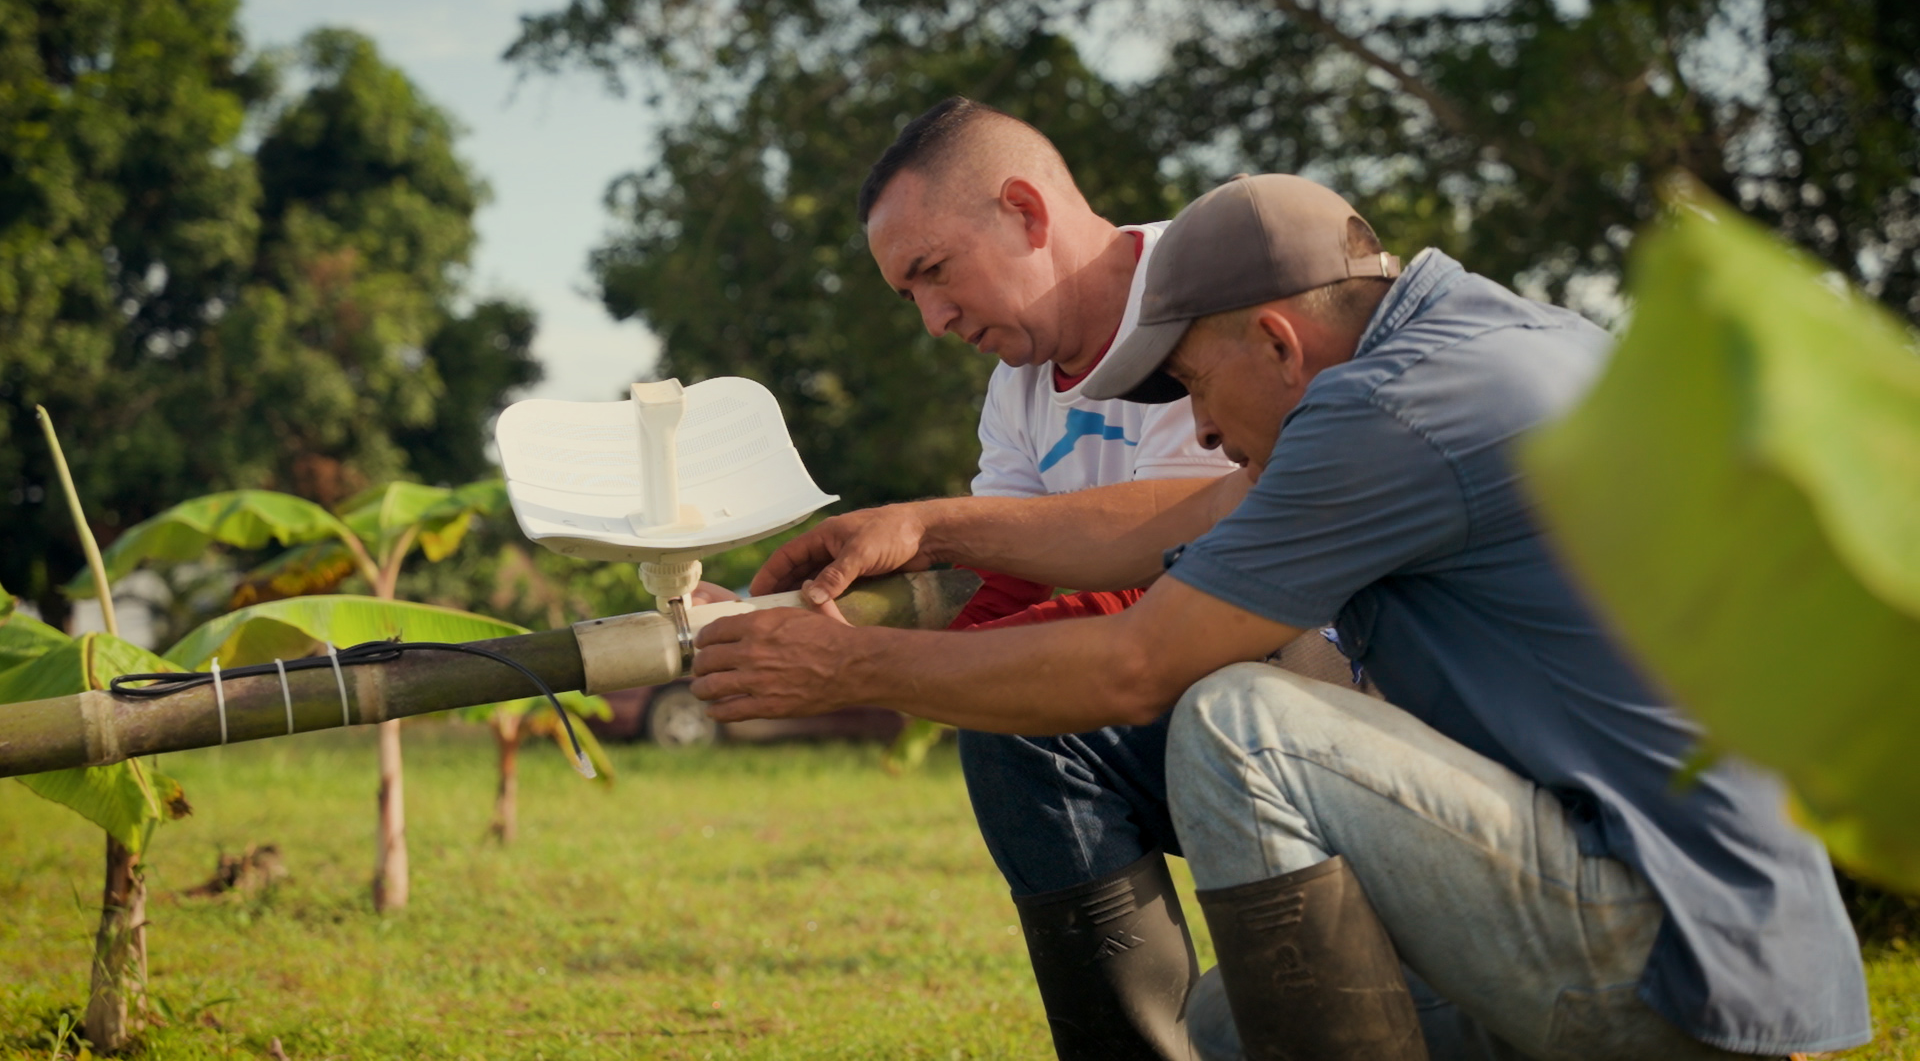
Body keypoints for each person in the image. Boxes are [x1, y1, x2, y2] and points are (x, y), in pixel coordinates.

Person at [687, 174, 1873, 1060]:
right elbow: (1152, 522)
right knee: (1217, 1029)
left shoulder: (1390, 414)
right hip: (1732, 935)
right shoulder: (1479, 345)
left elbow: (1132, 667)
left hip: (1668, 961)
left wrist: (846, 671)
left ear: (1275, 340)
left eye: (1194, 384)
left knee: (1239, 720)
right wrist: (928, 528)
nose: (1196, 424)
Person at [855, 97, 1257, 1060]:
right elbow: (1010, 576)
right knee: (1014, 723)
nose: (934, 319)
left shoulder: (1213, 289)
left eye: (933, 273)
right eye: (907, 297)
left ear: (1027, 214)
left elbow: (1199, 551)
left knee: (1028, 704)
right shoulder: (1018, 383)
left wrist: (879, 660)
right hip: (1186, 703)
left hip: (1332, 684)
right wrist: (792, 627)